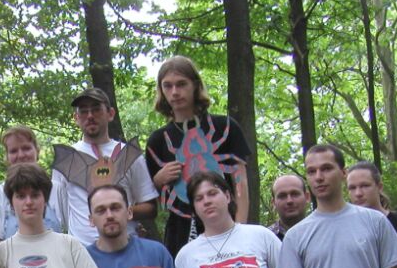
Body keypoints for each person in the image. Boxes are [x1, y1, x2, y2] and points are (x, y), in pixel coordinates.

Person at [146, 56, 251, 257]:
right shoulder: (157, 141)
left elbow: (241, 182)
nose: (175, 92)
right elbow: (148, 196)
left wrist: (240, 229)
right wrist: (159, 179)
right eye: (167, 86)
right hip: (180, 232)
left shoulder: (225, 127)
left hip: (227, 224)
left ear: (195, 85)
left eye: (181, 84)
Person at [55, 87, 158, 245]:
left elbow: (150, 207)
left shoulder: (129, 155)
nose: (90, 116)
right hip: (82, 249)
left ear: (110, 114)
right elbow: (58, 213)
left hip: (125, 247)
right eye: (84, 111)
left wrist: (121, 211)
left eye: (96, 109)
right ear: (76, 118)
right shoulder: (67, 158)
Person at [0, 125, 67, 240]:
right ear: (7, 157)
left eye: (26, 148)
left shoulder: (56, 188)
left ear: (37, 151)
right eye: (13, 151)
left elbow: (71, 229)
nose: (21, 155)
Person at [268, 174, 310, 240]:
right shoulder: (265, 238)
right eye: (282, 196)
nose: (289, 201)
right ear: (273, 203)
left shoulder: (322, 233)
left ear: (307, 197)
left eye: (295, 194)